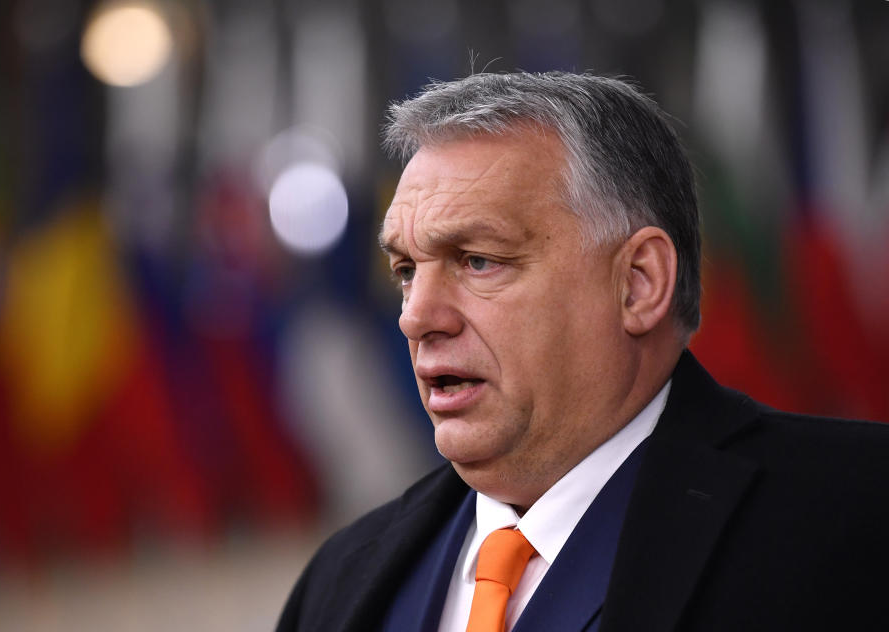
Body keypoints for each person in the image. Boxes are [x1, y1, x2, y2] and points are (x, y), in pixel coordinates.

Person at [276, 72, 889, 632]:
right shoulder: (340, 580)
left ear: (639, 283)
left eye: (479, 260)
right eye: (406, 269)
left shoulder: (857, 519)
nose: (415, 317)